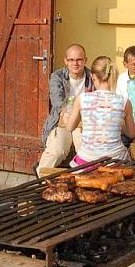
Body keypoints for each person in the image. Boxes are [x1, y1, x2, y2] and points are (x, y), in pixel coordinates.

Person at [37, 43, 95, 174]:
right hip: (61, 122)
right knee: (57, 150)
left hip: (83, 123)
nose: (75, 63)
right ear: (66, 61)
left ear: (85, 60)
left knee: (83, 145)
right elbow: (58, 104)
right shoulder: (57, 77)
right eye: (71, 60)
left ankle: (85, 180)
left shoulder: (92, 77)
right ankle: (40, 177)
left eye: (79, 59)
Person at [67, 56, 135, 164]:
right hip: (116, 162)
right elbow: (131, 134)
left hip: (87, 161)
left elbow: (70, 127)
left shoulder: (82, 99)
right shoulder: (125, 102)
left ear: (93, 77)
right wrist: (119, 123)